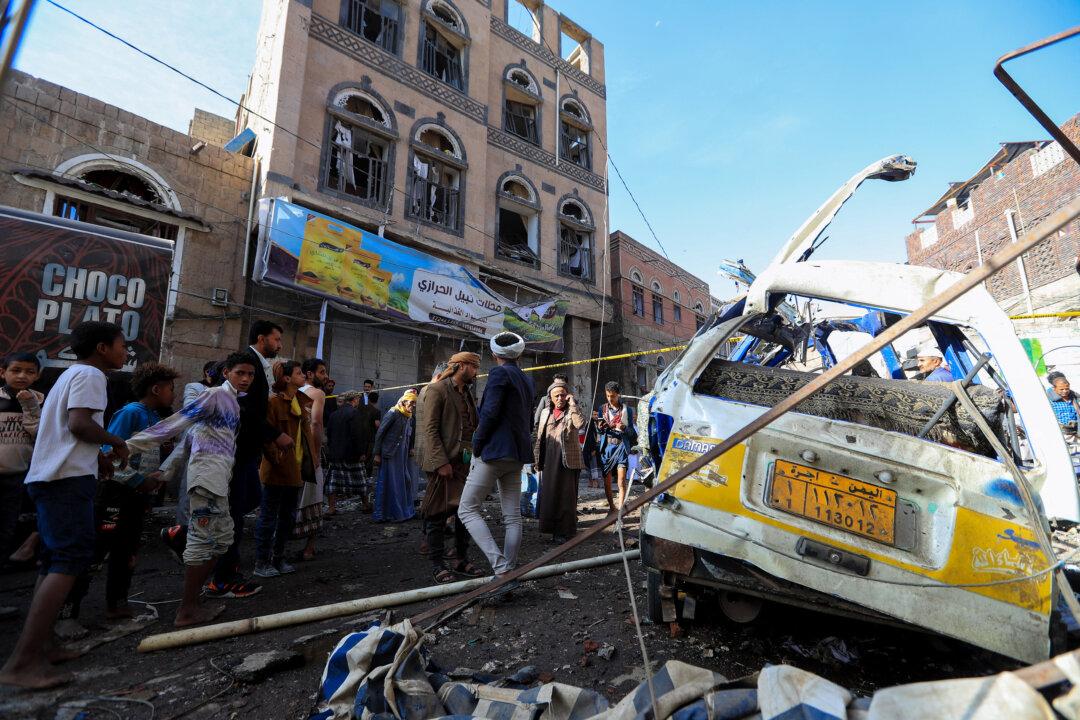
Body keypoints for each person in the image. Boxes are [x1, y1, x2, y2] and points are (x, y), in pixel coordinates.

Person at [0, 321, 130, 690]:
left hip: (52, 477)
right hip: (65, 481)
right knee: (70, 559)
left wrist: (98, 457)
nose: (126, 352)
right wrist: (115, 443)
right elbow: (78, 425)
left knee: (53, 561)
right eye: (122, 345)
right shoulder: (92, 374)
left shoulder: (73, 374)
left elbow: (66, 429)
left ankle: (46, 645)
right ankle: (22, 662)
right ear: (103, 348)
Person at [125, 352, 255, 629]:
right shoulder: (214, 397)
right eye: (239, 373)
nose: (245, 379)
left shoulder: (232, 404)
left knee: (221, 540)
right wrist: (125, 447)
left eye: (250, 374)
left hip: (218, 480)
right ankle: (187, 609)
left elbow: (191, 437)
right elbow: (175, 425)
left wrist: (166, 472)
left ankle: (191, 593)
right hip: (206, 480)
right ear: (226, 373)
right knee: (203, 543)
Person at [66, 363, 180, 622]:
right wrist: (140, 480)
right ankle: (67, 611)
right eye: (171, 389)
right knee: (97, 550)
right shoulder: (131, 413)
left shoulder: (154, 417)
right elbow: (111, 456)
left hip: (137, 496)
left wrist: (152, 479)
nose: (173, 394)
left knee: (127, 551)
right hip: (115, 493)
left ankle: (116, 604)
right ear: (156, 389)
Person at [207, 321, 293, 599]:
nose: (279, 345)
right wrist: (274, 435)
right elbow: (248, 412)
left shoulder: (258, 367)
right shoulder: (224, 390)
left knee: (244, 505)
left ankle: (222, 568)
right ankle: (223, 577)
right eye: (276, 339)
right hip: (233, 454)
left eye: (249, 375)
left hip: (246, 453)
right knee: (232, 514)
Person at [459, 332, 534, 576]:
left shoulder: (499, 373)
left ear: (494, 355)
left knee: (467, 509)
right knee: (512, 516)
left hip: (494, 452)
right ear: (519, 354)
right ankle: (509, 570)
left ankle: (501, 569)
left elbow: (489, 414)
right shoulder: (525, 379)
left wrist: (478, 445)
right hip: (516, 454)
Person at [417, 352, 485, 583]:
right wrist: (441, 462)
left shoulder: (466, 393)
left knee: (464, 513)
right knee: (436, 514)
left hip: (465, 464)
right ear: (462, 366)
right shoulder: (437, 390)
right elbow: (430, 430)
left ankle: (460, 558)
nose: (476, 372)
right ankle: (438, 564)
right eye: (474, 367)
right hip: (444, 465)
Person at [255, 361, 316, 578]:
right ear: (287, 378)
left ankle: (278, 558)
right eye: (299, 373)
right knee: (269, 516)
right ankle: (262, 561)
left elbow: (306, 436)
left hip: (296, 469)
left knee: (287, 517)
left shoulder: (300, 401)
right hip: (278, 469)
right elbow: (267, 436)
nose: (303, 376)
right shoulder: (273, 402)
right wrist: (277, 459)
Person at [0, 352, 42, 562]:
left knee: (7, 525)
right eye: (15, 370)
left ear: (37, 376)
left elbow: (39, 433)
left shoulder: (38, 401)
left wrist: (30, 407)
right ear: (2, 372)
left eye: (29, 372)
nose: (22, 376)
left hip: (17, 475)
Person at [533, 379, 586, 543]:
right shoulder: (545, 413)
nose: (560, 398)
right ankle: (549, 528)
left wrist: (573, 404)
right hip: (549, 458)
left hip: (567, 460)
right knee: (549, 494)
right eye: (557, 395)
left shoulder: (572, 411)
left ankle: (564, 531)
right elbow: (538, 434)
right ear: (550, 397)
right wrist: (536, 457)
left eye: (563, 395)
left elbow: (580, 424)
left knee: (566, 496)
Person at [296, 358, 328, 560]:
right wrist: (316, 453)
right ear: (309, 374)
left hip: (292, 452)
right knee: (313, 496)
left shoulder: (294, 393)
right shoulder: (317, 393)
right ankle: (309, 547)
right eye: (322, 372)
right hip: (308, 452)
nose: (325, 376)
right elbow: (316, 423)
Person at [372, 389, 418, 522]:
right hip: (390, 454)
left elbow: (408, 436)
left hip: (402, 455)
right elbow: (380, 433)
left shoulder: (408, 417)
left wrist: (410, 448)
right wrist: (377, 454)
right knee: (389, 483)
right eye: (411, 403)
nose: (413, 406)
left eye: (415, 403)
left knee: (404, 482)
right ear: (404, 402)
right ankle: (385, 514)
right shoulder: (393, 412)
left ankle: (404, 511)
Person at [324, 391, 373, 514]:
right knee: (360, 480)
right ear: (355, 399)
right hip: (352, 454)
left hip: (336, 454)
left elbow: (328, 434)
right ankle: (366, 505)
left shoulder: (334, 414)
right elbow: (357, 434)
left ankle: (331, 508)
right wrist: (361, 452)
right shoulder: (355, 413)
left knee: (332, 482)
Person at [597, 381, 639, 512]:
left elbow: (633, 433)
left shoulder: (627, 410)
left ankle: (620, 511)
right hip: (607, 448)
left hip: (621, 447)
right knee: (607, 482)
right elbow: (600, 430)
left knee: (621, 481)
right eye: (608, 396)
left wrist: (624, 427)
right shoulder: (602, 409)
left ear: (618, 395)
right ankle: (612, 508)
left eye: (613, 396)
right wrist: (600, 428)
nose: (610, 399)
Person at [358, 391, 382, 487]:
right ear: (376, 401)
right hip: (370, 438)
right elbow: (377, 424)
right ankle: (365, 479)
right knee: (368, 461)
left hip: (360, 437)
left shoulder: (360, 408)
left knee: (359, 458)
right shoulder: (376, 411)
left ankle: (358, 478)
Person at [1050, 376, 1079, 443]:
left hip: (1076, 430)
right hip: (1062, 433)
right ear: (1054, 388)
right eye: (1061, 389)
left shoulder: (1074, 398)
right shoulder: (1050, 401)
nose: (1065, 391)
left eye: (1067, 389)